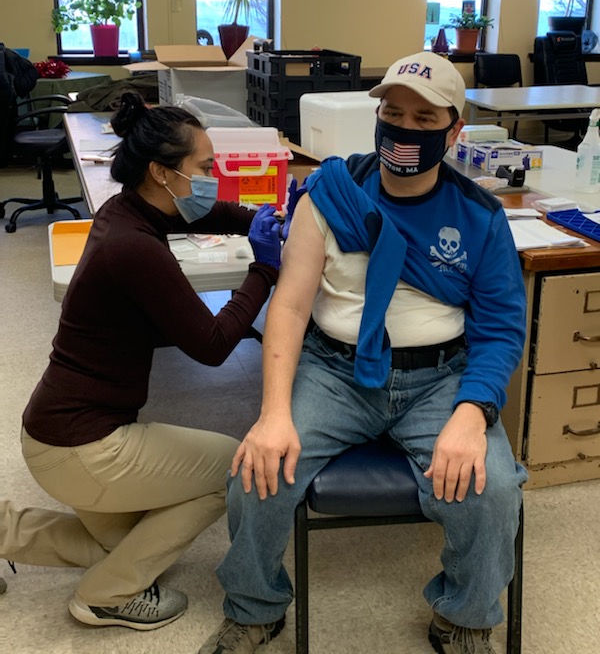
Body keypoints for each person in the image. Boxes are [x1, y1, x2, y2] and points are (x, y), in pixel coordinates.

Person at [199, 52, 528, 654]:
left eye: (425, 120)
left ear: (455, 132)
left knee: (495, 489)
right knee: (256, 473)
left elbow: (502, 328)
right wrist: (273, 415)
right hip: (334, 372)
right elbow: (291, 310)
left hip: (439, 379)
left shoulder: (479, 217)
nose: (404, 129)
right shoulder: (331, 194)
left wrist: (471, 412)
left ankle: (465, 618)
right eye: (393, 112)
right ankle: (255, 609)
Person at [1, 92, 285, 631]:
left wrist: (255, 220)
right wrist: (263, 271)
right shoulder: (136, 248)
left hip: (53, 432)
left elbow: (202, 213)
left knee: (121, 541)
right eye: (205, 167)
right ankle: (107, 597)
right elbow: (212, 344)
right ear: (161, 171)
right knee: (235, 467)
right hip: (87, 447)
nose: (215, 178)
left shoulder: (126, 212)